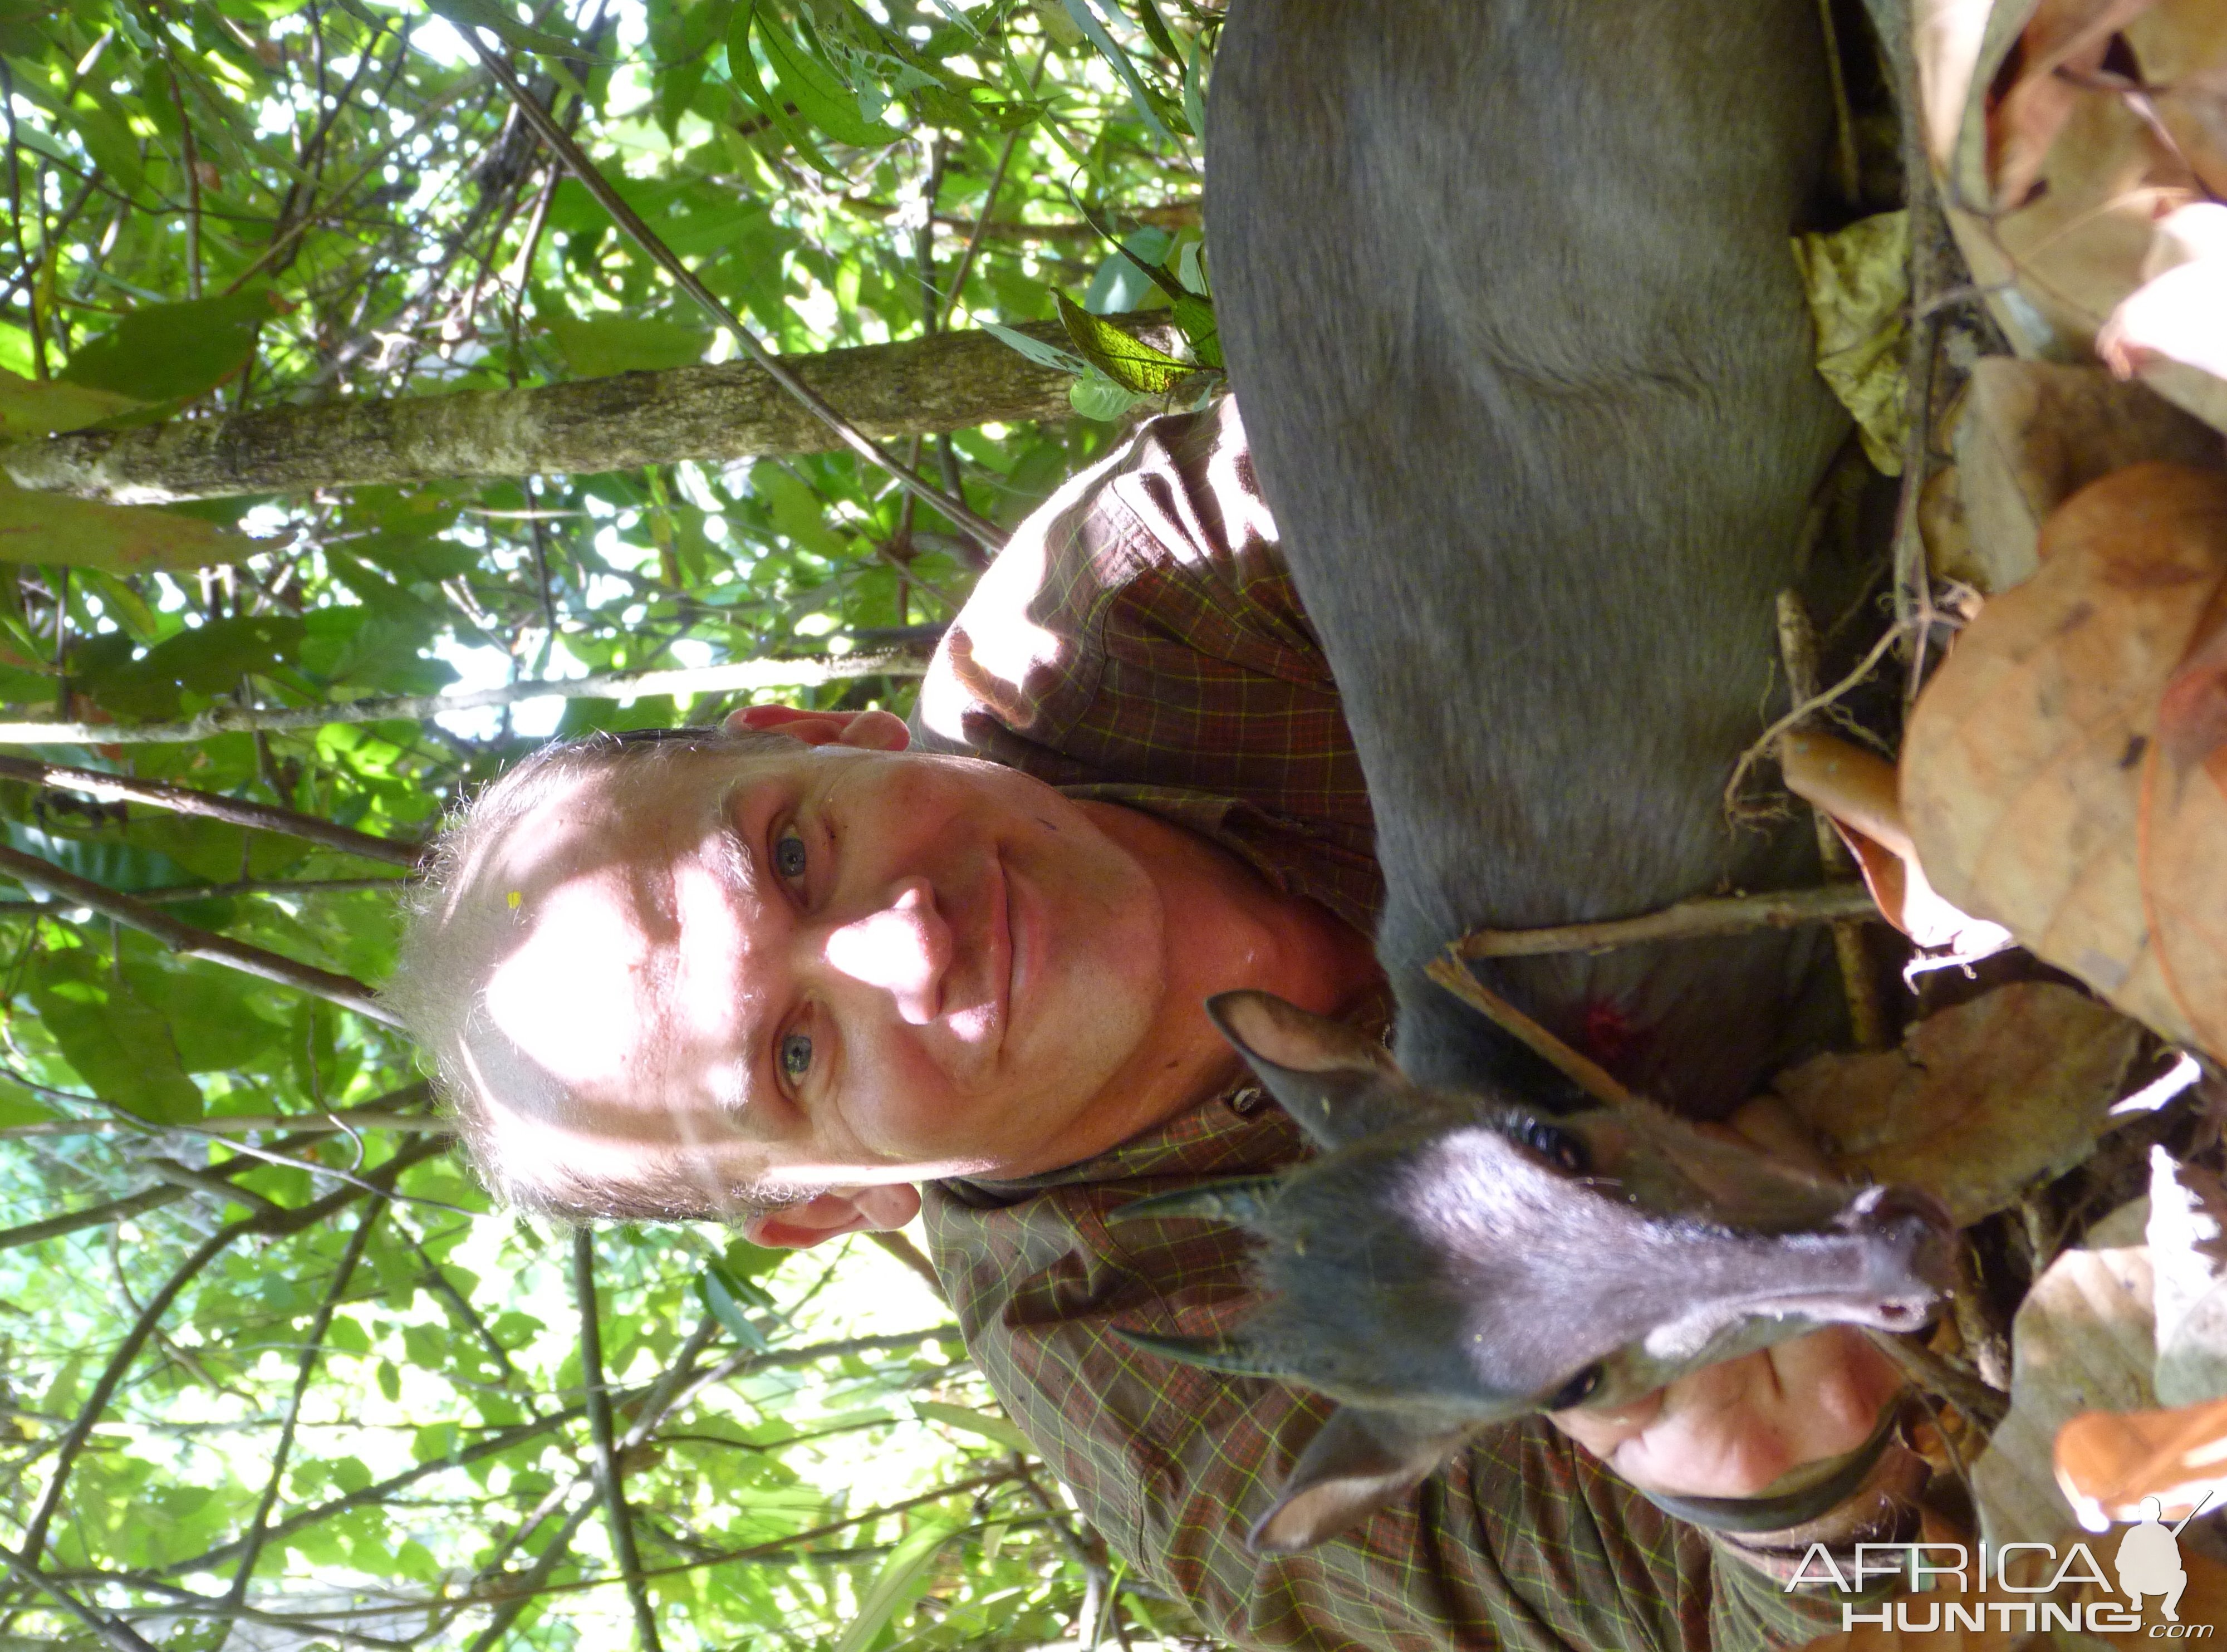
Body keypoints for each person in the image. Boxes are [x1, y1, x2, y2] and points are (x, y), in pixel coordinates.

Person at [389, 399, 1925, 1651]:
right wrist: (1795, 1508)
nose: (898, 936)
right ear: (837, 1206)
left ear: (832, 738)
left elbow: (1583, 399)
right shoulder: (1170, 1419)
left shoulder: (1129, 605)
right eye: (799, 1054)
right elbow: (1884, 1614)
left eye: (796, 855)